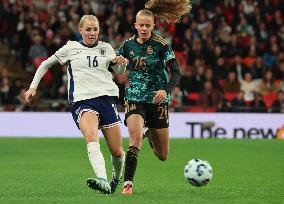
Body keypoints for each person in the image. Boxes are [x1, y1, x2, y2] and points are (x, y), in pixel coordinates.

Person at [24, 15, 128, 194]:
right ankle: (102, 178)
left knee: (117, 152)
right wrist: (33, 87)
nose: (92, 33)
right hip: (83, 100)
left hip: (107, 100)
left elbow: (118, 72)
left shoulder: (106, 48)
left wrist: (122, 64)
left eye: (95, 29)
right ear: (80, 30)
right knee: (91, 137)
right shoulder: (71, 47)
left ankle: (115, 179)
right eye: (88, 29)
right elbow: (45, 64)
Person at [116, 0, 191, 195]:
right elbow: (114, 67)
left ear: (153, 26)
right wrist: (119, 63)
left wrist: (166, 90)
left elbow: (176, 72)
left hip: (157, 101)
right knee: (134, 139)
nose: (143, 28)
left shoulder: (161, 45)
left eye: (147, 25)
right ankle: (128, 185)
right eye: (140, 25)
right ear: (135, 25)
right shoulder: (126, 45)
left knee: (163, 155)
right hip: (134, 97)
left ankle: (149, 133)